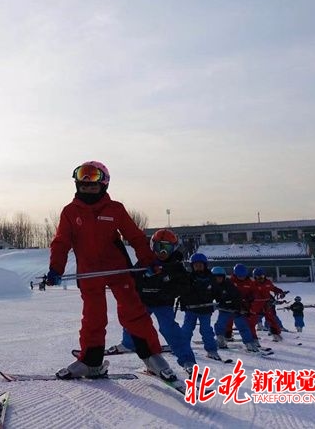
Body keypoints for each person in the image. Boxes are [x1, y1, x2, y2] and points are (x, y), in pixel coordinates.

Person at [45, 161, 176, 381]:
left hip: (117, 269)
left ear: (103, 185)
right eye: (84, 185)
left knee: (133, 313)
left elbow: (134, 236)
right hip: (89, 272)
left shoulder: (115, 209)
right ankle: (91, 362)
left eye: (93, 186)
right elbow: (61, 243)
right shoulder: (70, 212)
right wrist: (55, 269)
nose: (88, 189)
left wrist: (148, 259)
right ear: (77, 185)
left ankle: (152, 357)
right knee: (93, 317)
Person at [116, 229, 196, 376]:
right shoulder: (145, 261)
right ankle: (128, 343)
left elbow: (185, 285)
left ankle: (187, 360)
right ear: (153, 246)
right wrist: (144, 274)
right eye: (160, 247)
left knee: (169, 329)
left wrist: (169, 290)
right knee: (133, 321)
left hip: (163, 303)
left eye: (167, 248)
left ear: (173, 248)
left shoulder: (176, 266)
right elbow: (133, 278)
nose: (163, 252)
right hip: (144, 301)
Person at [179, 253, 221, 360]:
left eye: (200, 265)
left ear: (205, 265)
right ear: (192, 266)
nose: (198, 267)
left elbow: (217, 292)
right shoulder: (189, 277)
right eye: (196, 265)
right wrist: (184, 305)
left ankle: (211, 350)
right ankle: (183, 348)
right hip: (191, 309)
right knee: (187, 329)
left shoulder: (211, 278)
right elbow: (183, 293)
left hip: (205, 310)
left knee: (206, 330)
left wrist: (221, 300)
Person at [210, 266, 259, 352]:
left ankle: (249, 343)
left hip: (236, 309)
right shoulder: (212, 286)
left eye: (220, 277)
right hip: (224, 310)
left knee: (242, 325)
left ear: (224, 277)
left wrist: (237, 307)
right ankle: (221, 340)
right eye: (216, 277)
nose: (218, 279)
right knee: (220, 325)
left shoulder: (229, 284)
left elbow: (236, 296)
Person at [250, 268, 286, 342]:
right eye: (258, 277)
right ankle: (252, 337)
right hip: (256, 304)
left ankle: (275, 334)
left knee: (271, 319)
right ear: (254, 277)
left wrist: (280, 292)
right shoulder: (253, 284)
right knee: (252, 320)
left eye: (262, 276)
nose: (260, 279)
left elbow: (273, 288)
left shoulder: (268, 283)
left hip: (266, 304)